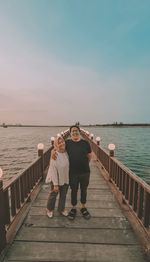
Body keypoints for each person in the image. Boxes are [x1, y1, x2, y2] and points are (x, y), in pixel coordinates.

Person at [52, 125, 92, 220]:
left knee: (84, 190)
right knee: (73, 190)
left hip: (85, 172)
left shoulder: (85, 143)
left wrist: (84, 164)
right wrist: (53, 151)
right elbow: (59, 146)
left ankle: (83, 207)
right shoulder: (67, 143)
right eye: (73, 131)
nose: (75, 132)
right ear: (70, 133)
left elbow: (89, 156)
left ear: (79, 132)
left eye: (76, 131)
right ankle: (73, 208)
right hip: (72, 173)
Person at [45, 136, 69, 218]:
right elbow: (53, 170)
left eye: (62, 141)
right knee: (53, 195)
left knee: (63, 195)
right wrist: (55, 184)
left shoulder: (66, 153)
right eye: (59, 143)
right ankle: (49, 209)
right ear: (56, 145)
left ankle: (61, 209)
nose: (62, 143)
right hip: (56, 179)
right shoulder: (54, 155)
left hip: (65, 178)